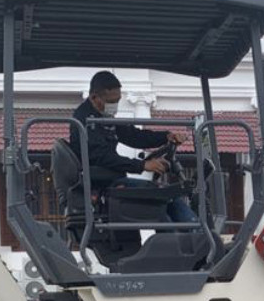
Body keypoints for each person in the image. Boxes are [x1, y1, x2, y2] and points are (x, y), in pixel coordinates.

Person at [69, 70, 195, 223]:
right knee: (163, 195)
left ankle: (182, 239)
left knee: (165, 199)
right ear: (95, 98)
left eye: (118, 100)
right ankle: (192, 234)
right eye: (111, 101)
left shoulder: (104, 118)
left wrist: (165, 136)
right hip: (104, 184)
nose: (114, 105)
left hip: (111, 179)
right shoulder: (85, 122)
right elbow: (102, 157)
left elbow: (133, 136)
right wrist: (142, 165)